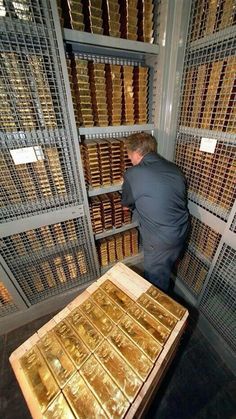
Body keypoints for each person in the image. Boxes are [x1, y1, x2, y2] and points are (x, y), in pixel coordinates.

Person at [121, 132, 190, 292]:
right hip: (181, 231)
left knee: (157, 282)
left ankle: (157, 308)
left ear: (136, 153)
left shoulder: (132, 174)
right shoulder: (175, 169)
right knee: (167, 266)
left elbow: (126, 206)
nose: (130, 158)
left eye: (129, 155)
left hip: (160, 241)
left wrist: (127, 185)